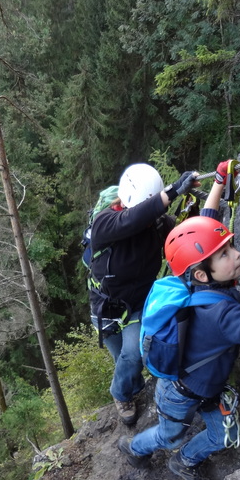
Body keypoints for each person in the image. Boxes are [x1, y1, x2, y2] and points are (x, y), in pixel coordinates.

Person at [118, 160, 240, 480]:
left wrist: (219, 182)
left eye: (230, 247)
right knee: (168, 434)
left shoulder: (194, 277)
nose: (235, 255)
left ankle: (184, 460)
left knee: (220, 436)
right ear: (203, 274)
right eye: (225, 254)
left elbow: (207, 225)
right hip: (181, 393)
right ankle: (133, 449)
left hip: (204, 385)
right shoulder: (219, 315)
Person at [89, 163, 199, 425]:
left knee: (133, 354)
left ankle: (120, 394)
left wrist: (199, 202)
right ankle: (133, 387)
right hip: (105, 308)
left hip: (138, 305)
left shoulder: (158, 226)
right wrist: (171, 192)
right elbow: (130, 221)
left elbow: (186, 234)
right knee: (123, 361)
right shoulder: (104, 222)